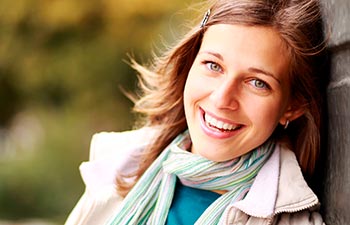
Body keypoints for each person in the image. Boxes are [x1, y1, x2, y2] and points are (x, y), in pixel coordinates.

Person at [65, 0, 328, 224]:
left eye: (258, 82)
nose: (222, 98)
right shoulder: (116, 167)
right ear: (190, 64)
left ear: (292, 106)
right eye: (213, 65)